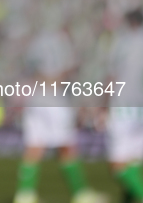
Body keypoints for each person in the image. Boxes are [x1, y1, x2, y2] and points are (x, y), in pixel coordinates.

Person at [13, 25, 106, 203]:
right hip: (56, 100)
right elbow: (65, 70)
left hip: (36, 99)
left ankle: (25, 194)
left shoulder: (36, 42)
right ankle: (81, 194)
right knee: (67, 148)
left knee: (34, 148)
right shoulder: (63, 42)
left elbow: (31, 70)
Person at [106, 9, 143, 203]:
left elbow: (112, 76)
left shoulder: (123, 41)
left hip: (124, 106)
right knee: (134, 160)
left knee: (117, 165)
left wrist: (103, 105)